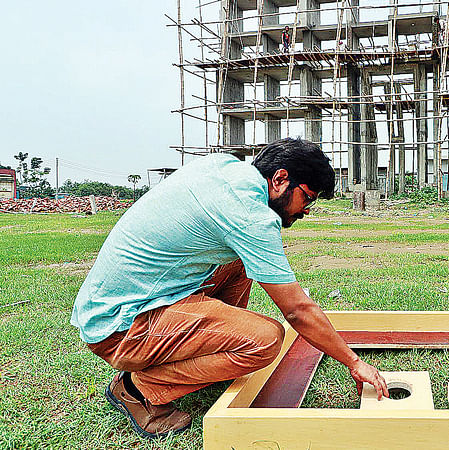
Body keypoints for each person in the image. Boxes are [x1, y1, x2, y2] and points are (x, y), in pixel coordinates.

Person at [71, 138, 389, 439]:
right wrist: (353, 362)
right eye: (307, 197)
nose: (306, 210)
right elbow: (297, 310)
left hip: (127, 303)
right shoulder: (249, 215)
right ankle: (140, 390)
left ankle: (210, 361)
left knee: (239, 261)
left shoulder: (224, 169)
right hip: (121, 329)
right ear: (280, 179)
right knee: (264, 340)